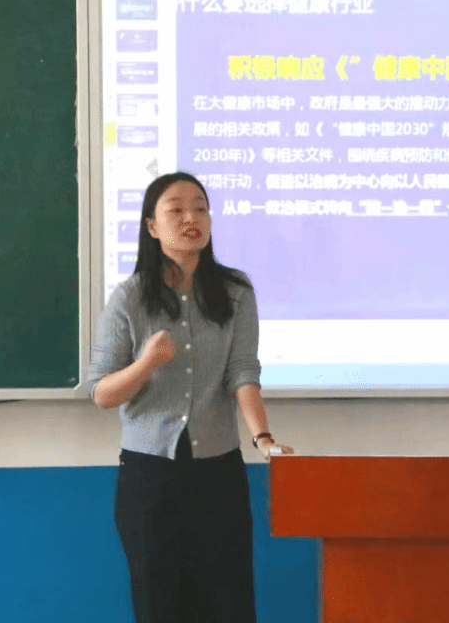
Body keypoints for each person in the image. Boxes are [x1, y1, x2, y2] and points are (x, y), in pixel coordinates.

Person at [87, 171, 293, 623]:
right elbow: (101, 392)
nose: (191, 219)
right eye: (176, 210)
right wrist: (146, 362)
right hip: (150, 476)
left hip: (218, 473)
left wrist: (263, 438)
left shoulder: (236, 292)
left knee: (228, 603)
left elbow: (243, 372)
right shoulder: (129, 298)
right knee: (160, 605)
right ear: (152, 226)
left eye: (200, 208)